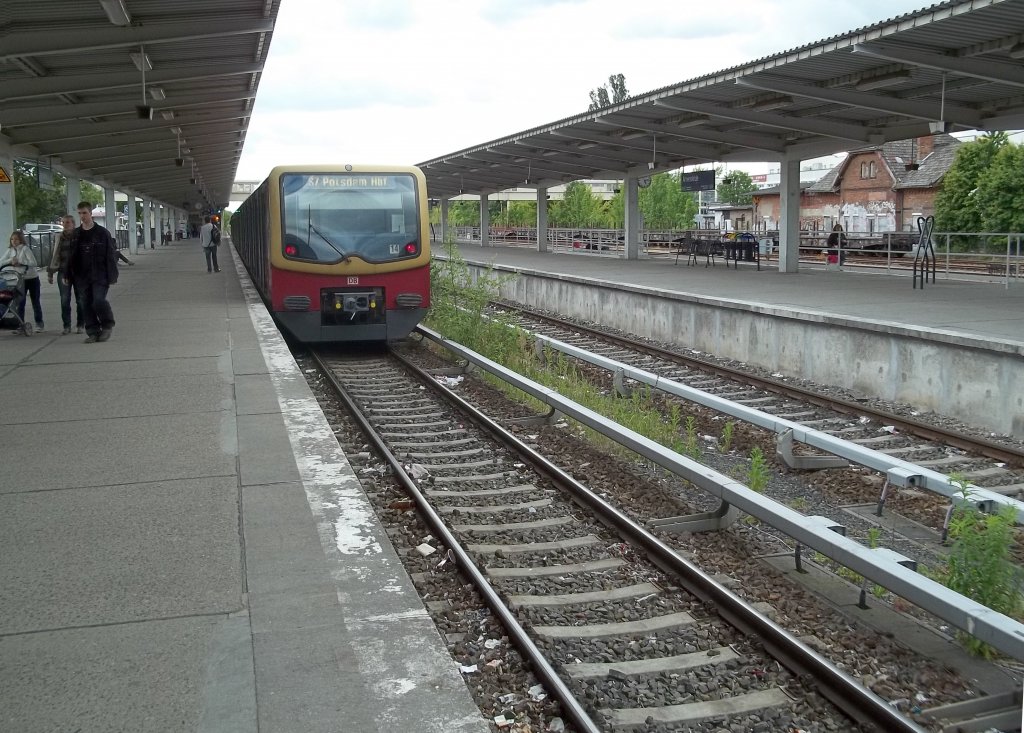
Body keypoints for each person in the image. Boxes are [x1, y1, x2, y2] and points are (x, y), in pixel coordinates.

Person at [66, 201, 118, 343]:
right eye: (80, 213)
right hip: (82, 275)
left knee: (98, 301)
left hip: (100, 274)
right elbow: (70, 256)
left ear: (90, 214)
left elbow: (110, 255)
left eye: (85, 213)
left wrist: (112, 275)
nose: (82, 216)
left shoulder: (102, 233)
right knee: (85, 303)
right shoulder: (76, 234)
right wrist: (67, 274)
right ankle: (93, 332)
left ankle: (107, 325)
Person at [46, 214, 85, 334]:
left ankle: (80, 324)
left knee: (81, 299)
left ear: (73, 224)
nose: (65, 225)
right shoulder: (59, 237)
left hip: (78, 272)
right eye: (63, 222)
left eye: (68, 222)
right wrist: (50, 272)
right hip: (63, 271)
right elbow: (54, 254)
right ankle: (66, 325)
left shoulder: (80, 236)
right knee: (64, 299)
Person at [0, 229, 44, 331]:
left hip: (32, 278)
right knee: (20, 302)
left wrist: (20, 261)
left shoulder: (25, 249)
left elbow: (33, 262)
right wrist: (11, 260)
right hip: (20, 279)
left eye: (16, 239)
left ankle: (39, 324)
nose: (14, 241)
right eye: (12, 239)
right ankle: (20, 324)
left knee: (35, 301)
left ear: (20, 240)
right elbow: (1, 261)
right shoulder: (10, 250)